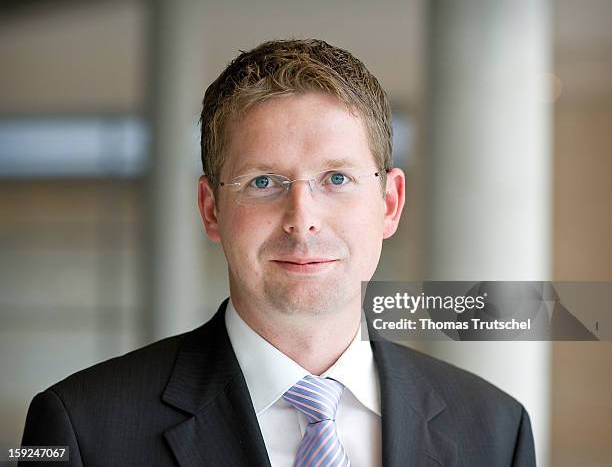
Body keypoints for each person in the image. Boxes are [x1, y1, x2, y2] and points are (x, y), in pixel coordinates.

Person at [20, 39, 536, 467]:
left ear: (390, 203)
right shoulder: (80, 428)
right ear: (211, 208)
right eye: (263, 181)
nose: (301, 217)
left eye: (337, 178)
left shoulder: (495, 429)